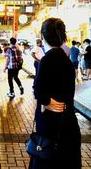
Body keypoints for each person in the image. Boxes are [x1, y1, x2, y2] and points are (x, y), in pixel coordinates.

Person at [29, 17, 81, 169]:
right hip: (69, 122)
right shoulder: (67, 61)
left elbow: (38, 90)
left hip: (50, 126)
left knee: (46, 162)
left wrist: (48, 102)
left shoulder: (47, 60)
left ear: (43, 36)